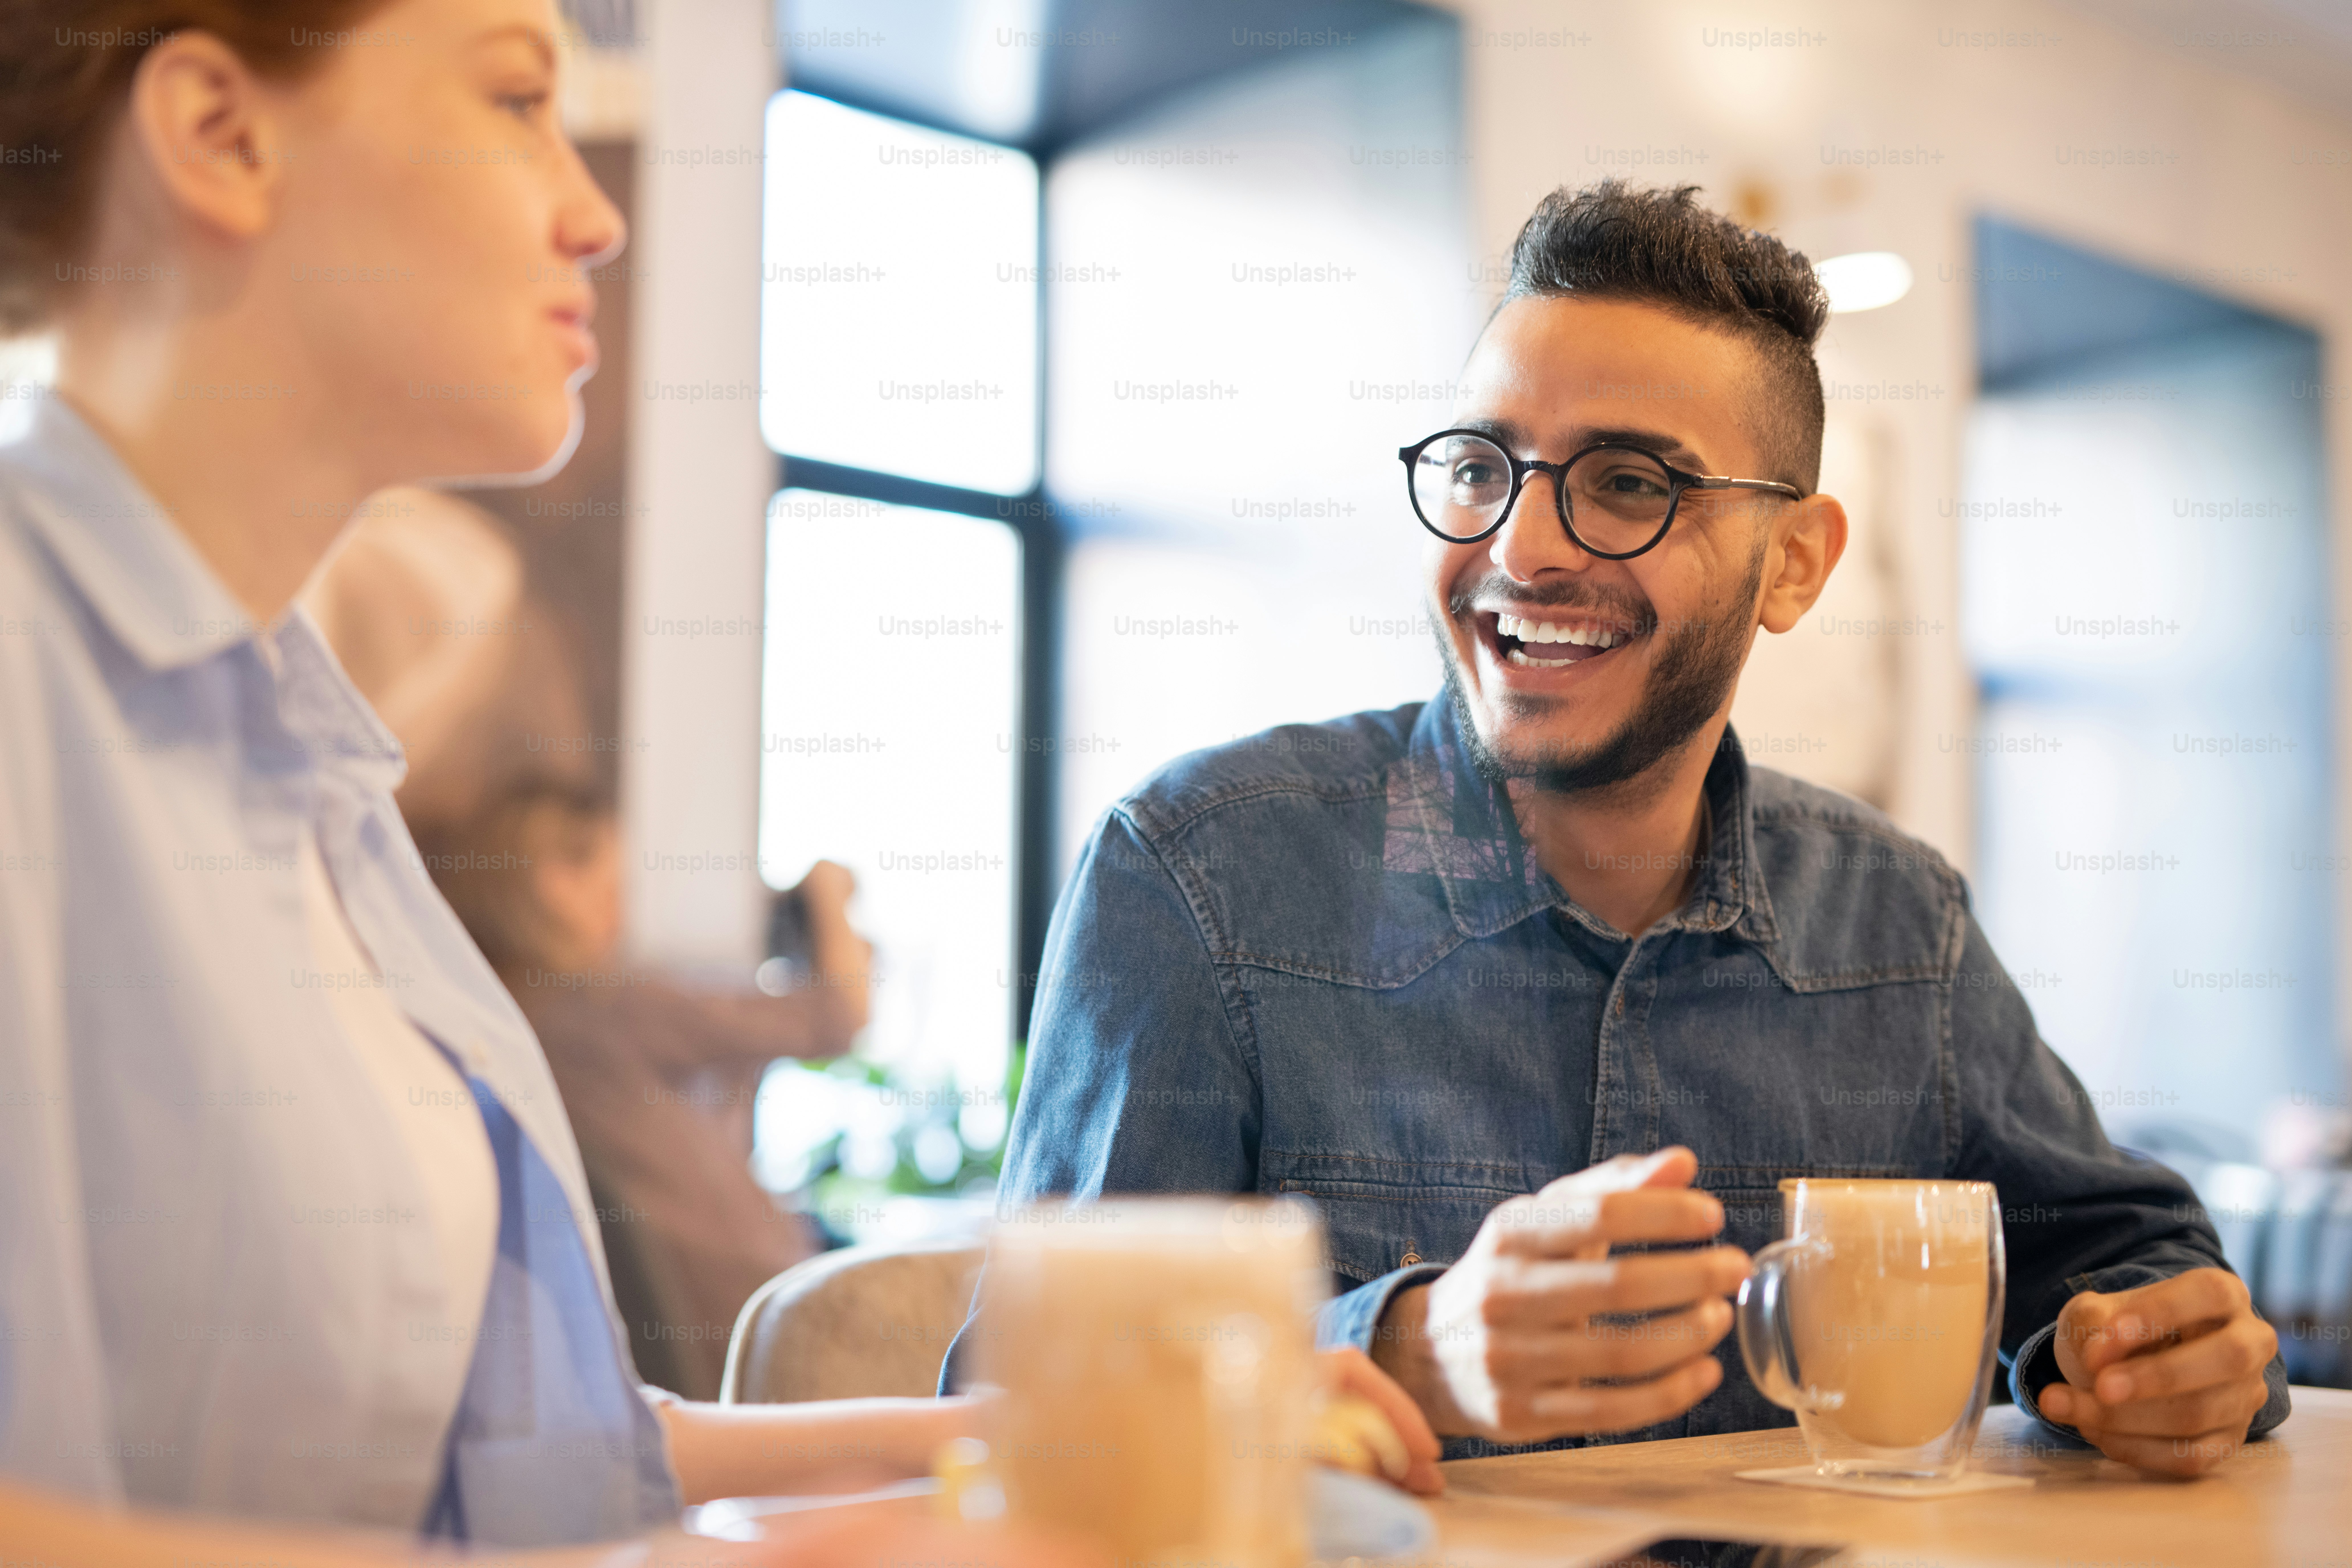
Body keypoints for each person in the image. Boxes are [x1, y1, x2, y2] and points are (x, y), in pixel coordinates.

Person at [974, 181, 2289, 1478]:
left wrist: (2155, 1350)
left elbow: (2122, 1256)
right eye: (1482, 465)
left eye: (1625, 483)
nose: (1521, 544)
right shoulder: (1201, 875)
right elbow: (1015, 1404)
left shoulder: (1900, 923)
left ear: (1796, 565)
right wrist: (1403, 1354)